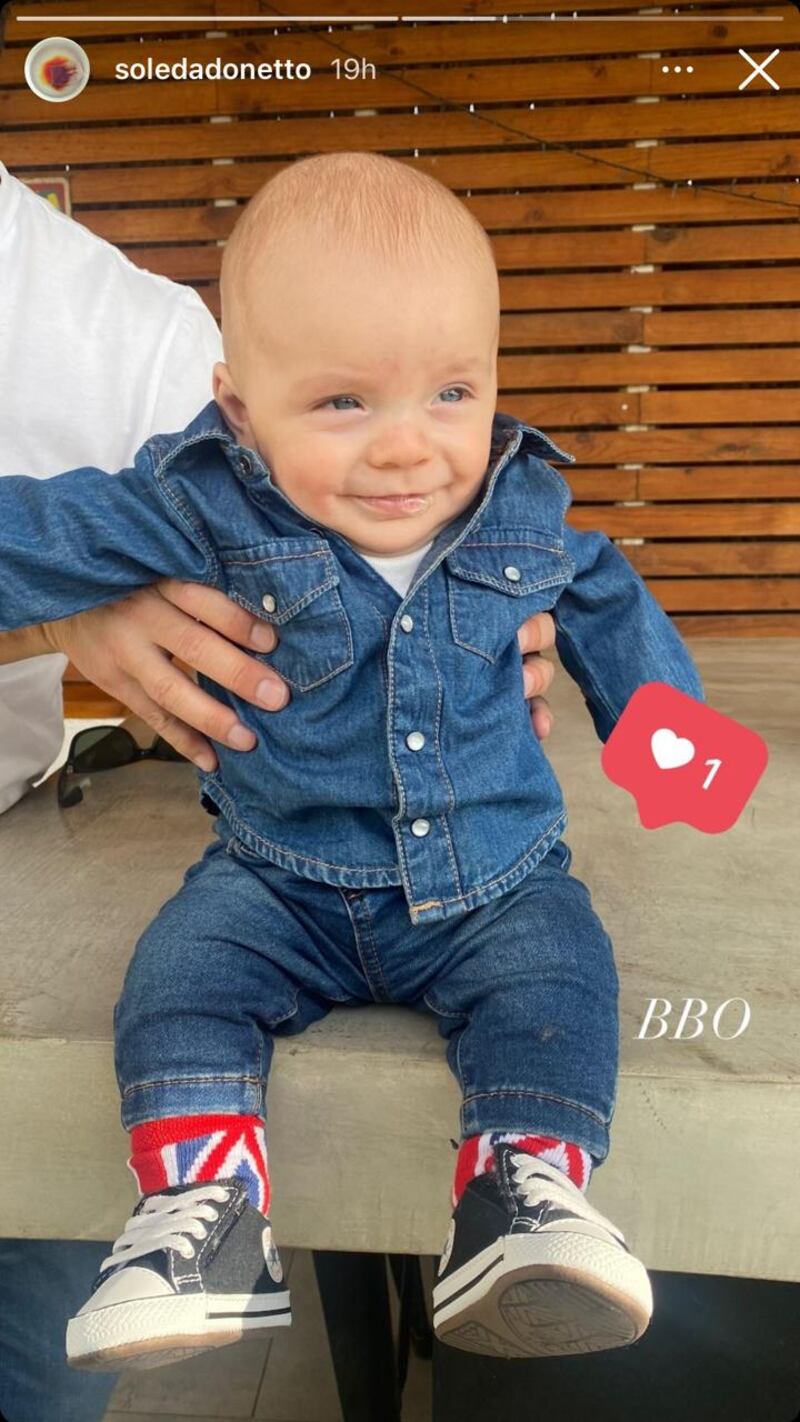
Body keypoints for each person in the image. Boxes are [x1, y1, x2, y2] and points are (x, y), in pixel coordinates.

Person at [0, 151, 703, 1376]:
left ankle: (522, 1189)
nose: (405, 450)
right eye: (341, 405)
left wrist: (674, 748)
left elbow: (605, 600)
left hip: (493, 878)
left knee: (559, 975)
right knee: (177, 977)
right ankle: (199, 1220)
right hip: (276, 879)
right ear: (237, 408)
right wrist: (63, 602)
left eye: (449, 393)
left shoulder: (523, 512)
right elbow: (39, 532)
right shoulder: (198, 505)